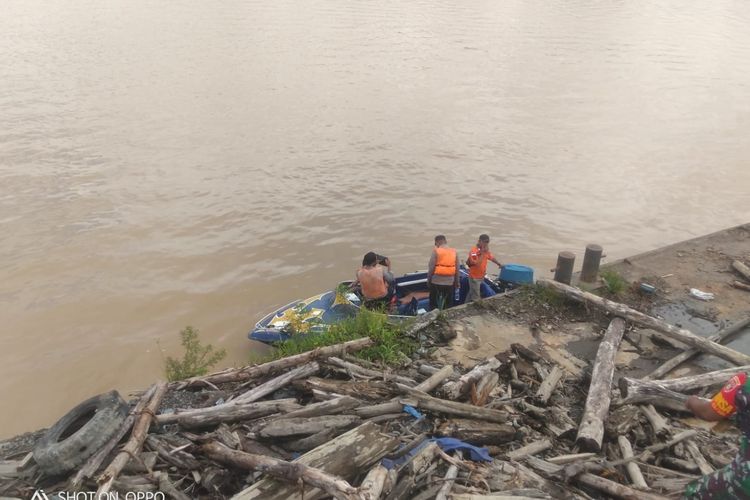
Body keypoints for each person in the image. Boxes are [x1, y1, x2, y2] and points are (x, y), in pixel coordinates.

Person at [683, 373, 750, 499]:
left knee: (695, 492)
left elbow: (708, 413)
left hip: (745, 477)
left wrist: (692, 401)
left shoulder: (743, 383)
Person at [465, 234, 503, 302]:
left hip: (481, 276)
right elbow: (476, 264)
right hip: (474, 277)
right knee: (475, 295)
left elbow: (491, 257)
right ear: (479, 241)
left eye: (487, 242)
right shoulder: (473, 251)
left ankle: (465, 303)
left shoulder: (485, 251)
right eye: (485, 242)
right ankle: (477, 305)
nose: (486, 244)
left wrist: (498, 263)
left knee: (472, 292)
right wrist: (482, 253)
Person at [427, 235, 460, 310]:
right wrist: (457, 282)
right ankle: (446, 318)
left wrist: (429, 281)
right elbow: (457, 269)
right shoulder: (454, 252)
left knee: (433, 304)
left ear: (437, 242)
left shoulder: (436, 251)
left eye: (435, 244)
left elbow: (431, 268)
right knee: (448, 304)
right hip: (449, 283)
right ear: (445, 241)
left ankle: (433, 318)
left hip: (436, 282)